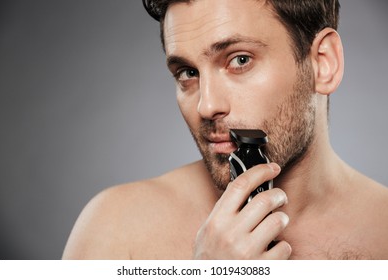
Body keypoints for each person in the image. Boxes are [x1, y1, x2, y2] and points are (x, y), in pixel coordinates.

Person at [62, 0, 388, 260]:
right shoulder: (117, 229)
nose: (206, 106)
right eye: (188, 71)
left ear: (323, 62)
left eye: (240, 60)